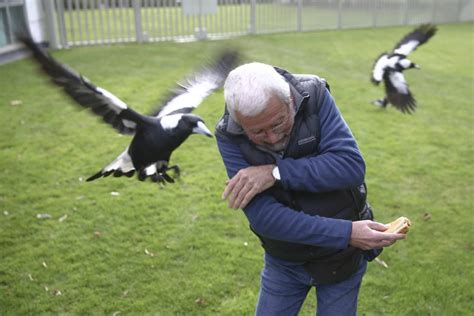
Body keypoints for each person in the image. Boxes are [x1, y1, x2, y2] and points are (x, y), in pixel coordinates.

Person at [215, 62, 405, 315]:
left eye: (278, 123)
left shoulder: (313, 94)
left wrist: (275, 172)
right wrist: (346, 232)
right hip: (284, 260)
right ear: (240, 122)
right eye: (257, 131)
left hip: (343, 258)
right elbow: (265, 219)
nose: (272, 138)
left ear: (290, 100)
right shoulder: (229, 134)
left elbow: (349, 165)